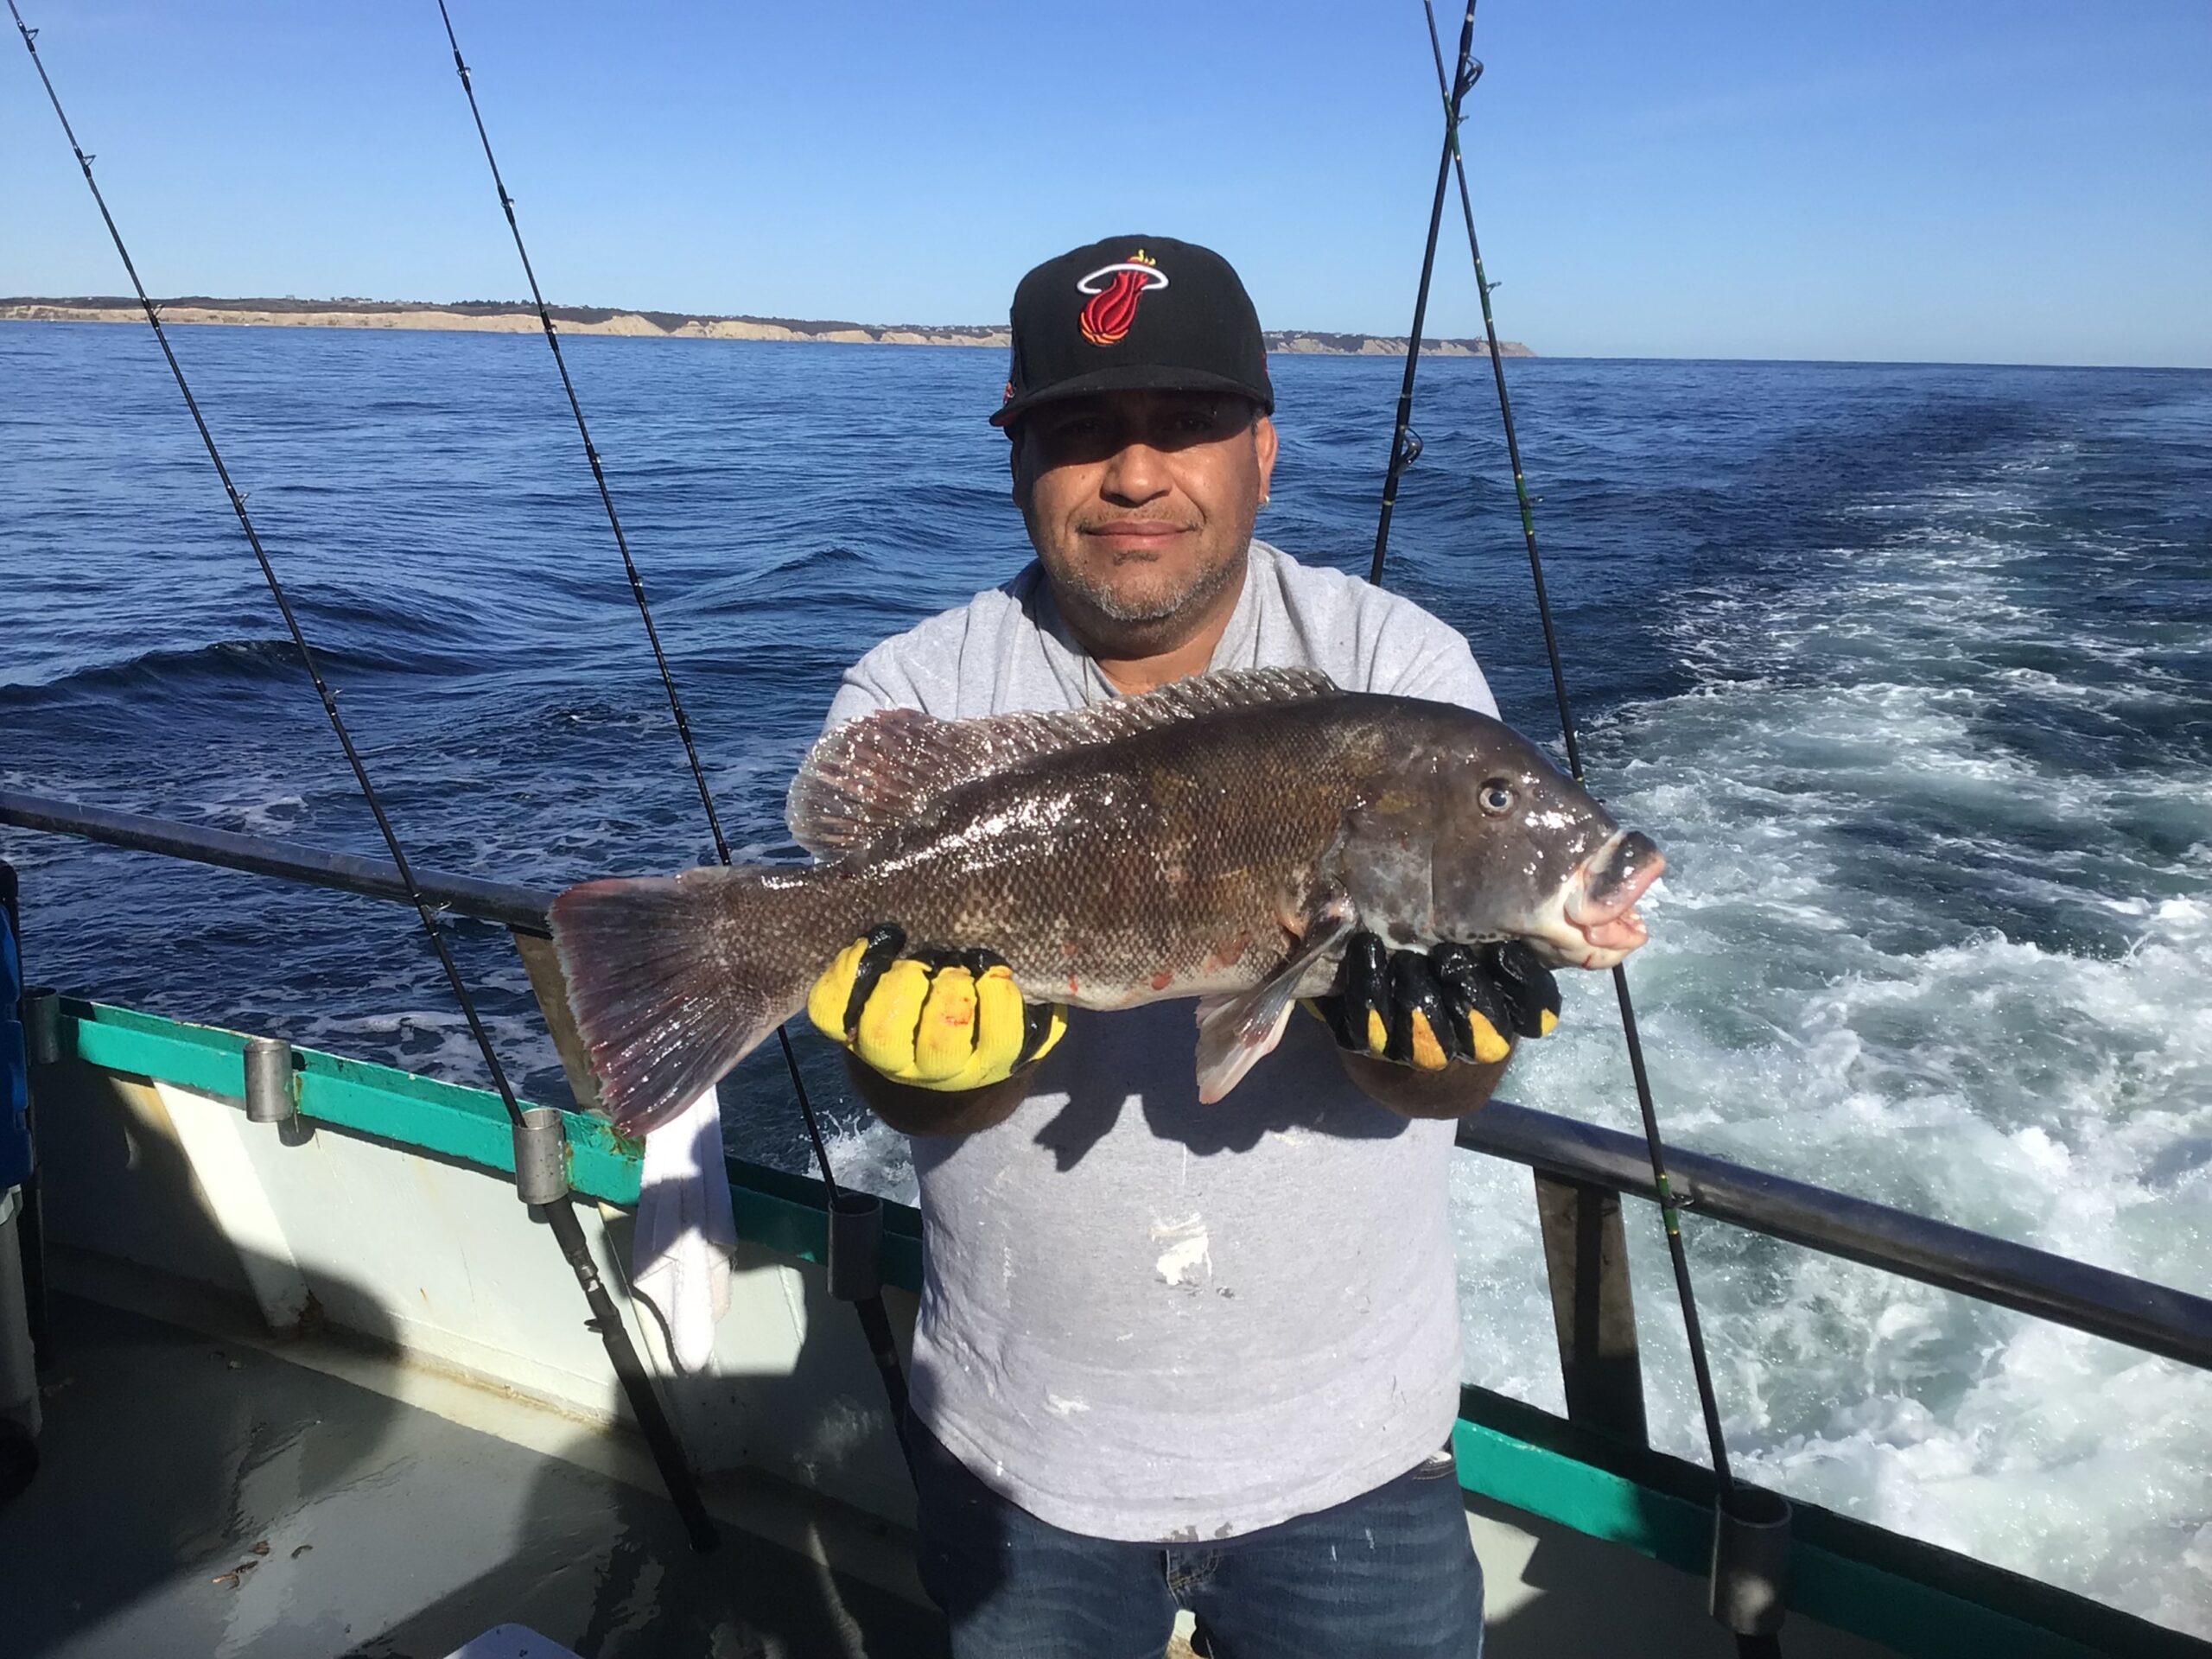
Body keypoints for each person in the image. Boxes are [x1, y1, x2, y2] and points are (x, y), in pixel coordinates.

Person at [805, 236, 1558, 1659]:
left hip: (1355, 1450)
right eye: (1081, 431)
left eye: (1187, 425)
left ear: (1262, 451)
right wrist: (917, 1069)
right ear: (1017, 462)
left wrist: (1437, 1048)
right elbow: (915, 1099)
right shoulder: (918, 687)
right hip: (1020, 1446)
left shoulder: (1399, 672)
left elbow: (1448, 1088)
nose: (1135, 475)